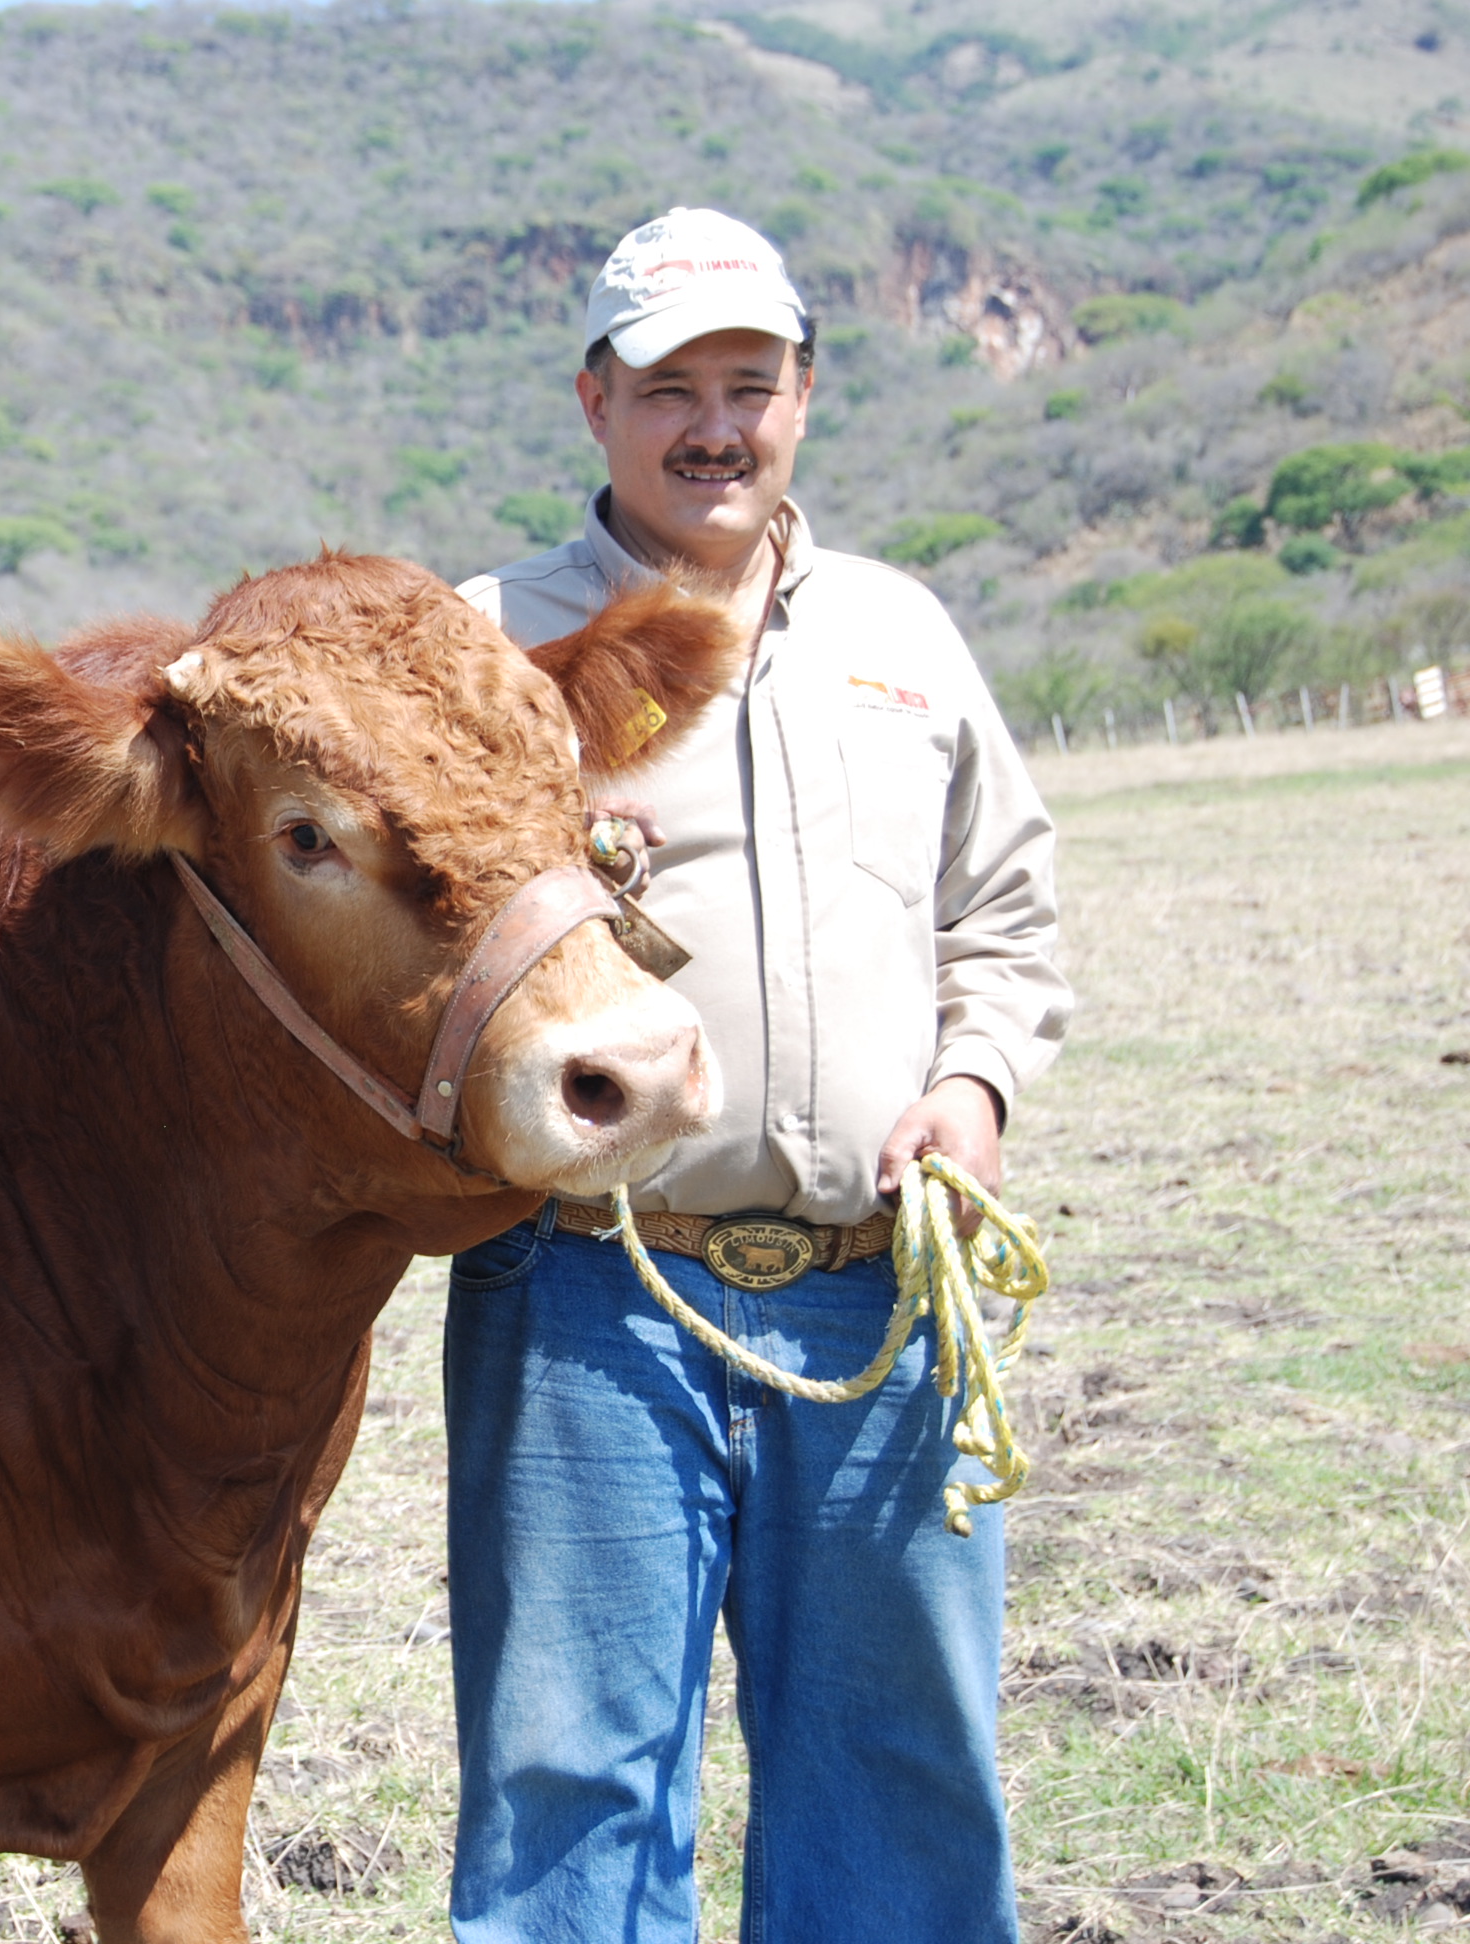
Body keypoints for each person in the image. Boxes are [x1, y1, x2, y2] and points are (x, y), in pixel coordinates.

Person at [440, 207, 1073, 1944]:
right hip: (587, 1294)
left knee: (902, 1767)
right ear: (594, 403)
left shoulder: (902, 632)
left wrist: (978, 1093)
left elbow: (1003, 914)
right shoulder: (485, 649)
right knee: (571, 1774)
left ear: (805, 391)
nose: (712, 426)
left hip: (882, 1300)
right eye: (669, 390)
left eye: (749, 383)